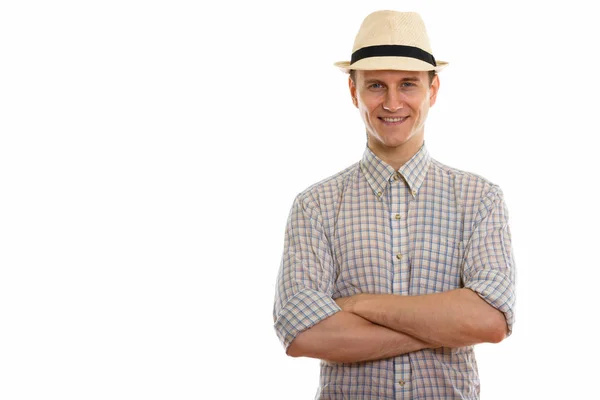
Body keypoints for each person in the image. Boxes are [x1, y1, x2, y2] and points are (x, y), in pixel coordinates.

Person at [272, 10, 516, 399]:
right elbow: (301, 332)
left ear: (432, 91)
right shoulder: (315, 206)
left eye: (407, 84)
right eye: (375, 86)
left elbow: (489, 320)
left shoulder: (478, 199)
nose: (392, 102)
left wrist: (357, 306)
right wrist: (441, 326)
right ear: (353, 92)